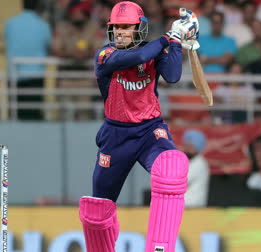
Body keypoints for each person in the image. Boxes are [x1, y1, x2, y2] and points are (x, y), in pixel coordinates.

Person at [77, 2, 199, 252]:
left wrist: (177, 43)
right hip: (116, 136)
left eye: (126, 27)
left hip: (150, 132)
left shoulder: (154, 50)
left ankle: (160, 247)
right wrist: (170, 36)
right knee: (97, 210)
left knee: (171, 169)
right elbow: (139, 57)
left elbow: (173, 76)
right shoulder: (105, 56)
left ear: (139, 29)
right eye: (116, 27)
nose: (120, 32)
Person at [4, 0, 52, 120]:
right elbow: (49, 46)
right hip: (36, 75)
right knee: (34, 114)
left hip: (14, 74)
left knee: (16, 114)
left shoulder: (10, 23)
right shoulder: (43, 25)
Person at [182, 130, 209, 207]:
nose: (187, 149)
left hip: (194, 208)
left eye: (191, 146)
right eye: (186, 146)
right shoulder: (187, 162)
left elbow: (179, 180)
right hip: (182, 208)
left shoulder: (199, 163)